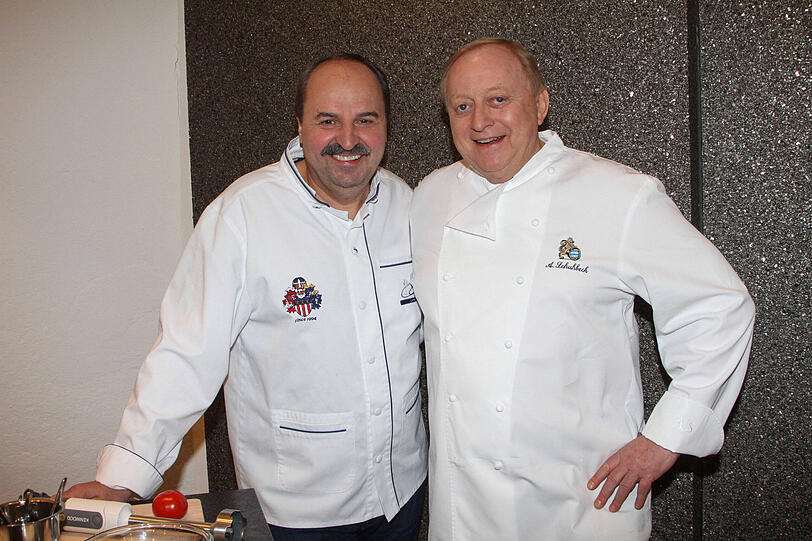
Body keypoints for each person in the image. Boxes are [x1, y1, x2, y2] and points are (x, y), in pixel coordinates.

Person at [65, 54, 427, 540]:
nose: (347, 139)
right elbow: (187, 353)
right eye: (327, 121)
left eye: (366, 119)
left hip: (402, 491)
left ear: (386, 126)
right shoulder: (242, 216)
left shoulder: (408, 206)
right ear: (299, 125)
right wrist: (122, 477)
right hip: (296, 512)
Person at [409, 38, 755, 540]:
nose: (480, 120)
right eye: (462, 106)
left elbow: (719, 305)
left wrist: (667, 436)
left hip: (581, 501)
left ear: (540, 104)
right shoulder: (429, 197)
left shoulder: (617, 194)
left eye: (498, 99)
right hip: (464, 507)